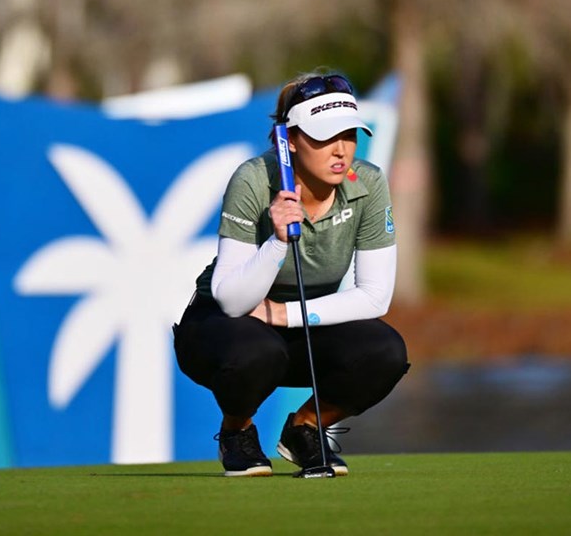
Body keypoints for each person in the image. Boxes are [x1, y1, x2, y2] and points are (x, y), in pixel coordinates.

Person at [173, 70, 409, 477]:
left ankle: (305, 427)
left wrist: (285, 315)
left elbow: (375, 296)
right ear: (291, 140)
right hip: (222, 329)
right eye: (324, 137)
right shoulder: (253, 179)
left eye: (349, 135)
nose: (341, 150)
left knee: (385, 352)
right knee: (259, 352)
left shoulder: (367, 183)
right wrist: (278, 241)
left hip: (294, 323)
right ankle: (237, 432)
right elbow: (232, 299)